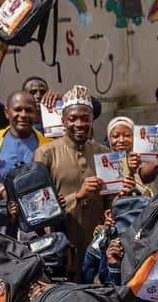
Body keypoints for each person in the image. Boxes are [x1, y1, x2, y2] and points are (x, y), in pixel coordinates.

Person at [33, 85, 109, 259]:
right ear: (63, 120)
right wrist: (77, 196)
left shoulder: (104, 152)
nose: (79, 124)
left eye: (85, 118)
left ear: (92, 119)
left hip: (97, 242)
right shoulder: (45, 153)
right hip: (60, 244)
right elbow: (38, 208)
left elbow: (112, 200)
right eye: (73, 119)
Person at [0, 91, 50, 182]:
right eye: (18, 110)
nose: (23, 115)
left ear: (36, 114)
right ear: (6, 113)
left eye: (29, 110)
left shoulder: (49, 145)